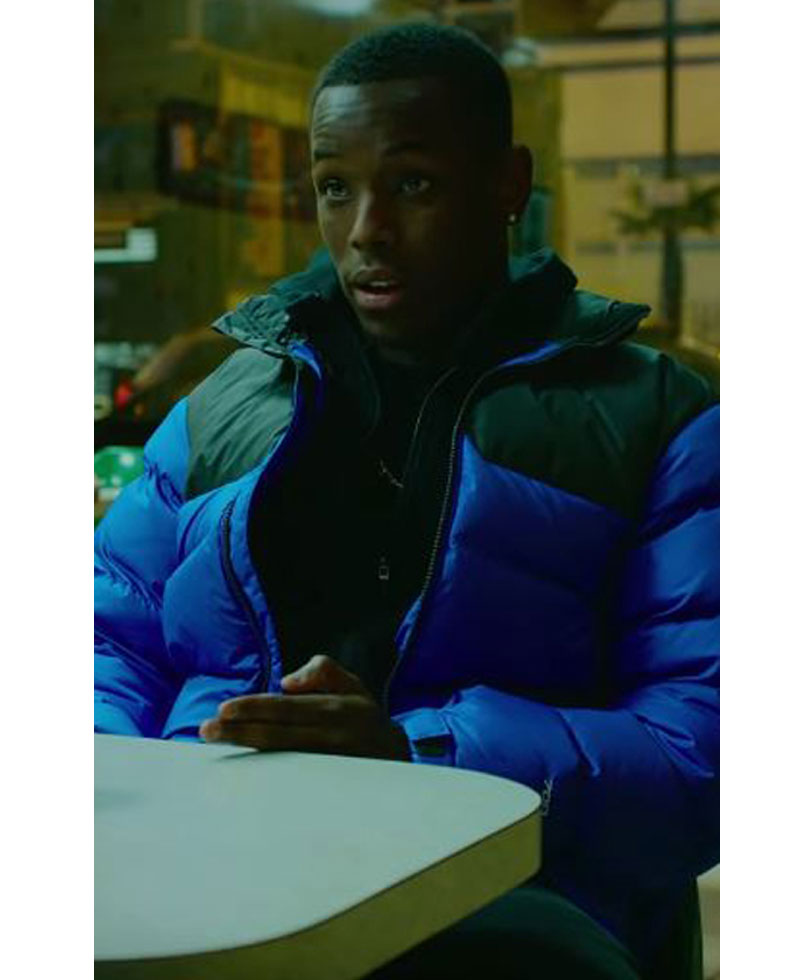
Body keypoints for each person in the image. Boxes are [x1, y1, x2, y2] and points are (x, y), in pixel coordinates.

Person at [94, 22, 719, 980]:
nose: (366, 230)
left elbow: (705, 750)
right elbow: (104, 646)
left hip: (505, 912)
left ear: (508, 186)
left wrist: (413, 754)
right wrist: (139, 790)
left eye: (414, 184)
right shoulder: (221, 409)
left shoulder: (654, 418)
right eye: (334, 188)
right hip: (206, 887)